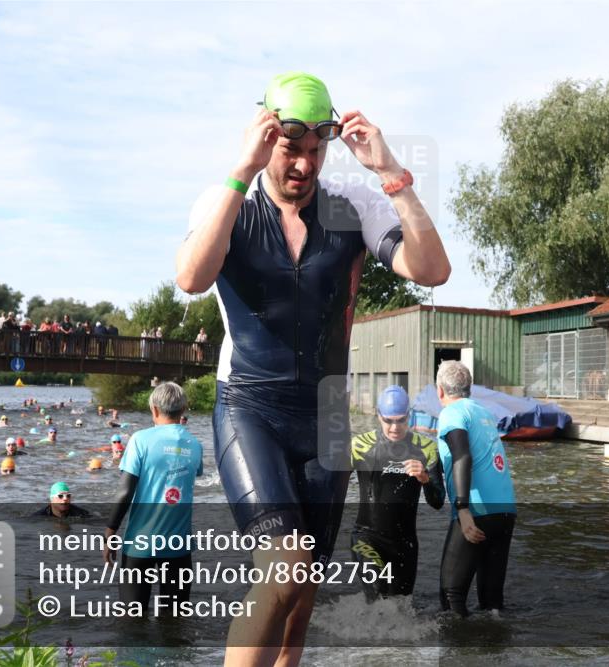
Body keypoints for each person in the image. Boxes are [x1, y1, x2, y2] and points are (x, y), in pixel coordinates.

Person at [175, 71, 450, 665]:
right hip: (251, 404)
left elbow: (431, 270)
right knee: (285, 567)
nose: (303, 164)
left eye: (314, 151)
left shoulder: (352, 210)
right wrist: (240, 171)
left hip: (326, 412)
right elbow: (192, 278)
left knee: (303, 590)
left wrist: (391, 172)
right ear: (264, 137)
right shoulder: (227, 204)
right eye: (290, 149)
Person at [103, 382, 203, 615]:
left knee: (132, 618)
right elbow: (193, 474)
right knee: (174, 620)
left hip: (141, 544)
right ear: (184, 409)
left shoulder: (140, 439)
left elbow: (125, 491)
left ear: (154, 410)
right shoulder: (195, 445)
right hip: (179, 546)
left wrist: (110, 532)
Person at [434, 361, 517, 618]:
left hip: (477, 509)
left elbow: (462, 457)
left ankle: (458, 654)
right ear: (470, 389)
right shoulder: (484, 413)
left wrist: (462, 508)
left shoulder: (451, 413)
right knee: (492, 602)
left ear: (440, 391)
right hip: (505, 511)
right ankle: (494, 649)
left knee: (451, 597)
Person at [350, 386, 444, 601]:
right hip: (367, 538)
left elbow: (437, 501)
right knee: (376, 604)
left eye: (401, 420)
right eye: (389, 420)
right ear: (378, 415)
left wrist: (425, 479)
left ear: (409, 416)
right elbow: (331, 488)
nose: (395, 427)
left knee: (401, 610)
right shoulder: (359, 446)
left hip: (405, 544)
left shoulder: (426, 448)